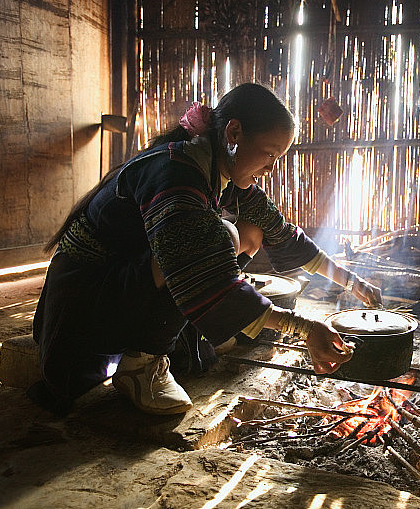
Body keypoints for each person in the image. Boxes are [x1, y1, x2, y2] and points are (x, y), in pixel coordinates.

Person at [30, 83, 382, 416]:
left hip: (123, 289)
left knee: (250, 231)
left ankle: (159, 343)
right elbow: (206, 275)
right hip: (84, 310)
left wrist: (352, 282)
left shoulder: (216, 166)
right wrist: (305, 328)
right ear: (233, 134)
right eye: (270, 154)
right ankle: (141, 366)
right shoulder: (177, 175)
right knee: (222, 237)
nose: (271, 168)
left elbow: (281, 233)